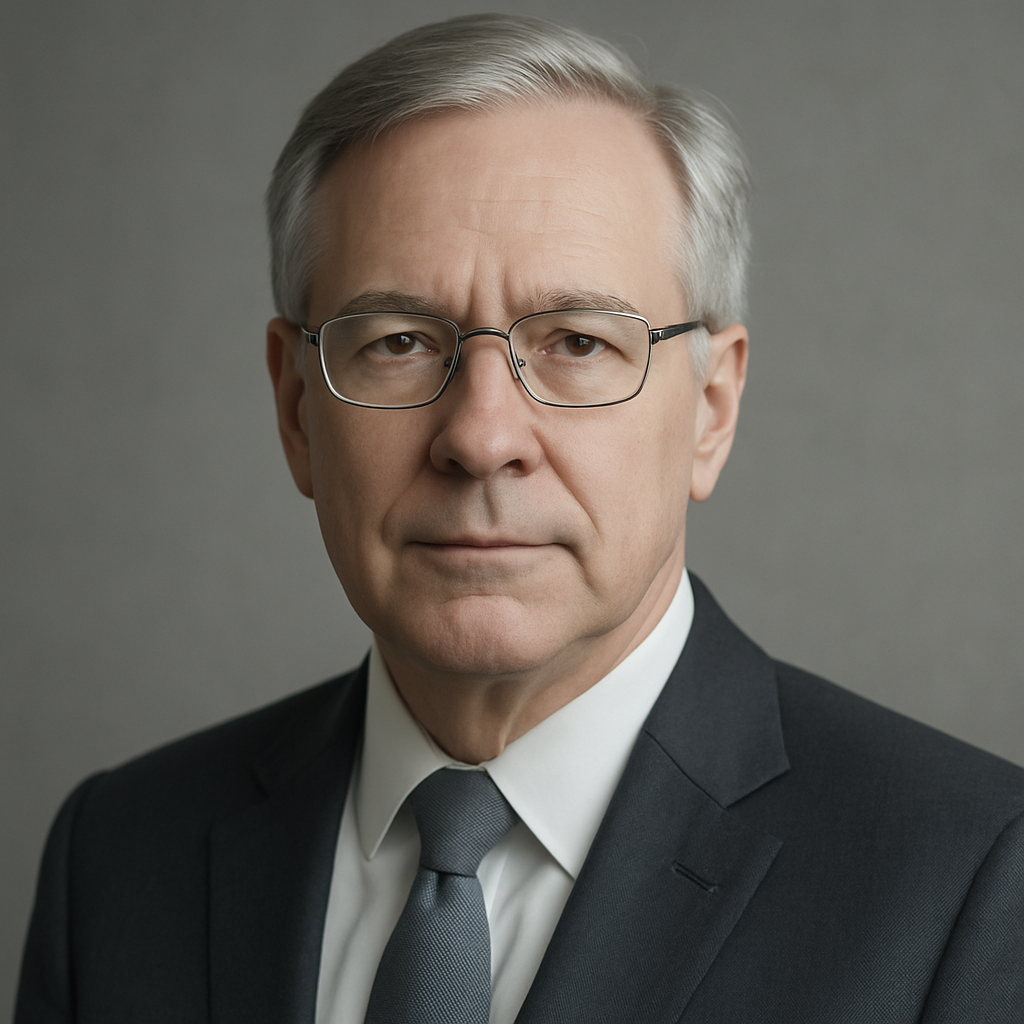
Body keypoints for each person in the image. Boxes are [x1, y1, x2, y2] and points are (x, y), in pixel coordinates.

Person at [15, 13, 1024, 1024]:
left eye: (578, 343)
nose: (481, 435)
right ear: (295, 410)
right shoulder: (118, 855)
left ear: (710, 409)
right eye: (400, 341)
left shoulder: (970, 880)